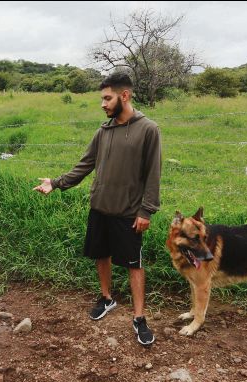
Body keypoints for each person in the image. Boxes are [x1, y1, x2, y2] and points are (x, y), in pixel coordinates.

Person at [33, 72, 161, 346]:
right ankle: (107, 298)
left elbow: (153, 174)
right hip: (100, 207)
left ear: (124, 96)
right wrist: (55, 183)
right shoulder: (103, 132)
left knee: (133, 264)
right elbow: (85, 165)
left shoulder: (148, 129)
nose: (103, 104)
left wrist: (146, 211)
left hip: (128, 212)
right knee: (100, 255)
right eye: (102, 98)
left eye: (107, 98)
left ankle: (139, 318)